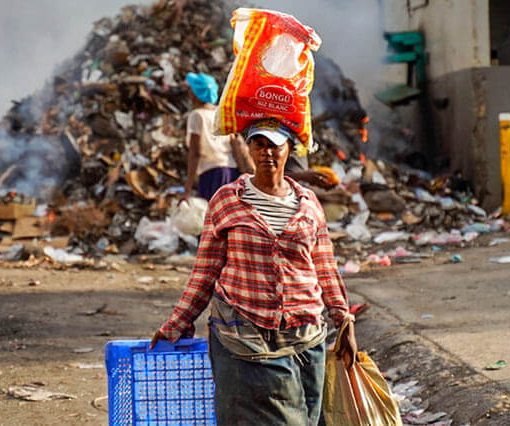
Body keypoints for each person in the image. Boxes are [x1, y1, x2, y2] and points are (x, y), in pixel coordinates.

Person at [151, 118, 357, 425]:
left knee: (310, 418)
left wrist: (343, 320)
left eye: (276, 145)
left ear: (290, 150)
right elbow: (205, 271)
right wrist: (178, 321)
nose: (267, 153)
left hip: (306, 337)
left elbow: (324, 267)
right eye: (259, 144)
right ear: (248, 149)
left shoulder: (309, 203)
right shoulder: (227, 200)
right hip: (245, 337)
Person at [183, 72, 242, 201]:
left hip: (212, 173)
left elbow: (195, 153)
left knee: (212, 218)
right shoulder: (222, 114)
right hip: (232, 171)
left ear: (195, 94)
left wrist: (187, 190)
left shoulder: (197, 115)